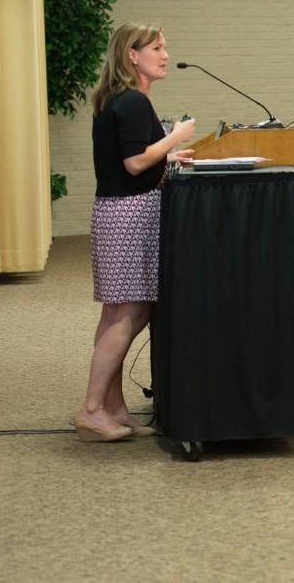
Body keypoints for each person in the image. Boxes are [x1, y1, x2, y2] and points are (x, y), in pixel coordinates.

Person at [77, 23, 196, 442]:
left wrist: (167, 152)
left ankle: (112, 405)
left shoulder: (123, 98)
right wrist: (174, 137)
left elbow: (134, 157)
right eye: (157, 48)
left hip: (119, 212)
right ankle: (92, 409)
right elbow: (132, 163)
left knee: (121, 311)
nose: (165, 55)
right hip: (128, 216)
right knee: (128, 312)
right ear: (132, 54)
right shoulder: (131, 100)